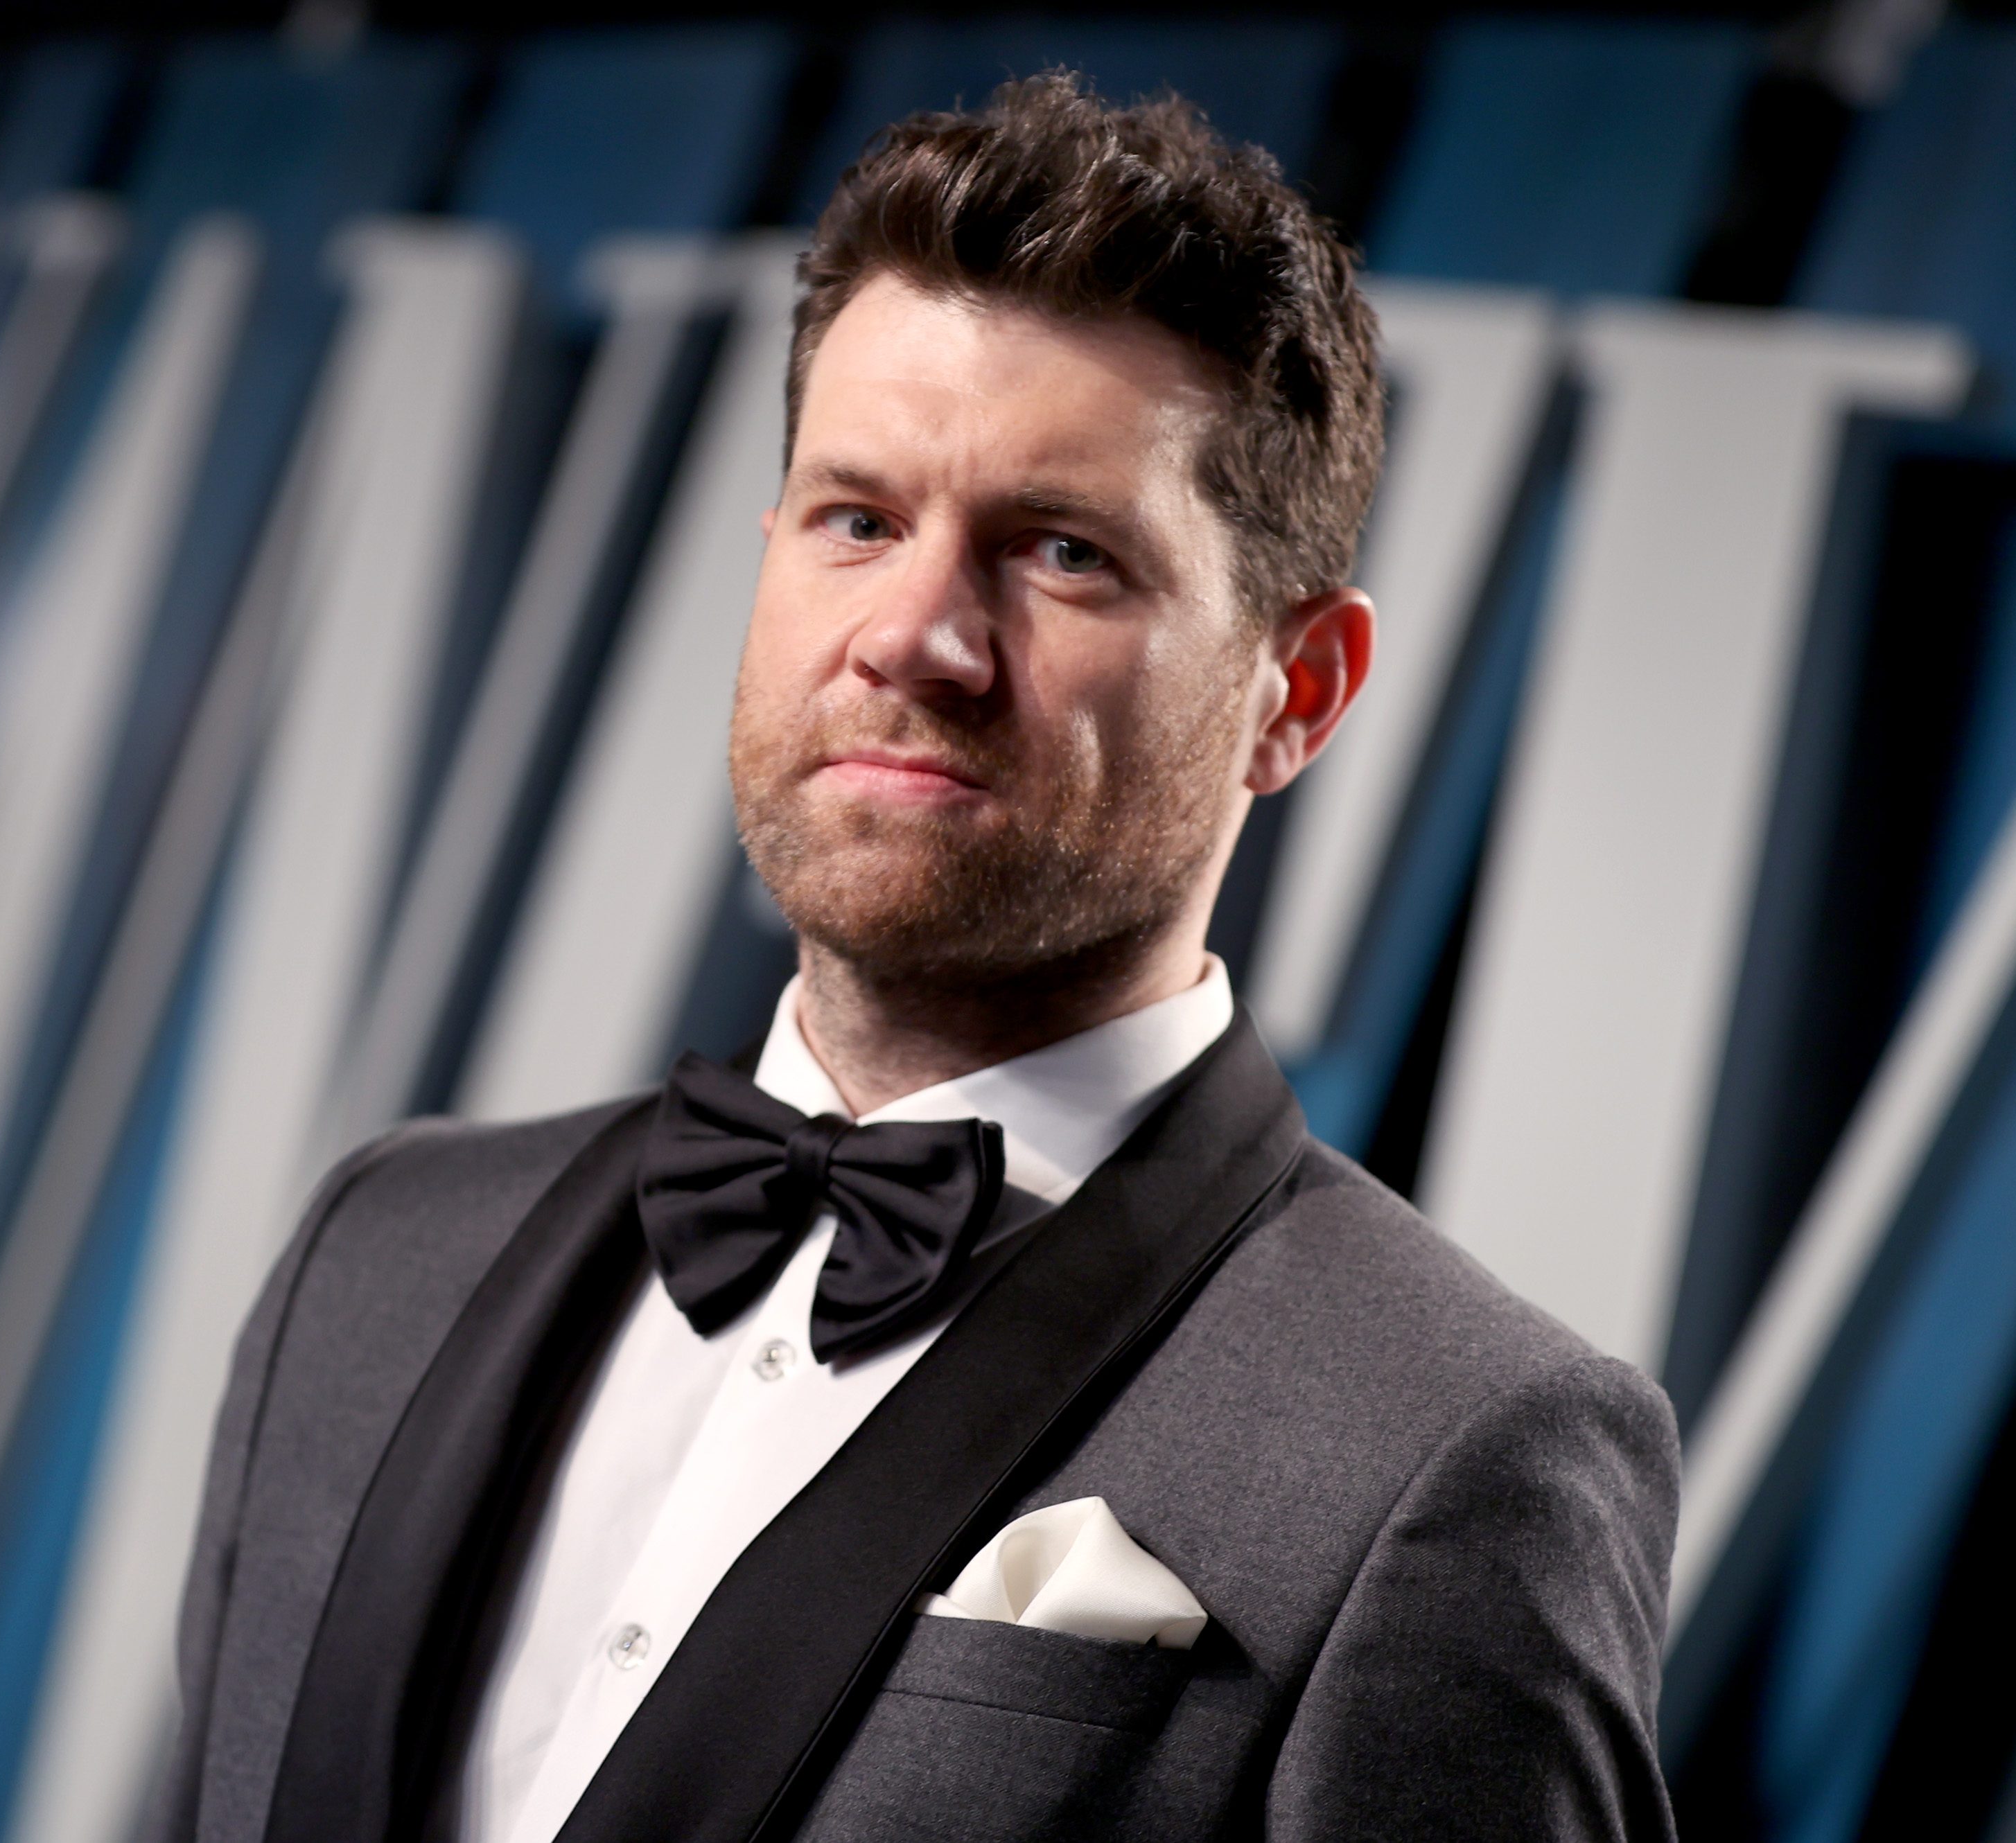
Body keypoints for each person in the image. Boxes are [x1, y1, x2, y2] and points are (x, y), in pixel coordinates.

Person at [153, 71, 1678, 1843]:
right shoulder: (380, 1253)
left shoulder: (1452, 1449)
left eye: (1061, 552)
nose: (916, 636)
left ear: (1298, 692)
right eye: (858, 519)